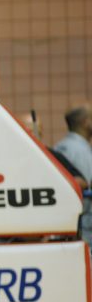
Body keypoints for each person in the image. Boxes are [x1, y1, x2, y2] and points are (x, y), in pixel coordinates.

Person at [54, 104, 92, 248]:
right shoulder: (81, 152)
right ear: (86, 122)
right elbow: (86, 189)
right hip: (84, 228)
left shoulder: (60, 146)